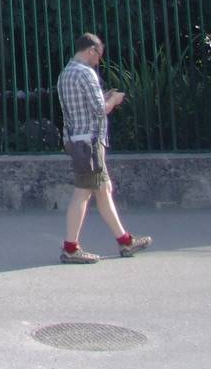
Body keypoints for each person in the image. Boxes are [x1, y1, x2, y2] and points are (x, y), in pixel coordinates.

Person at [56, 33, 151, 264]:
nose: (99, 60)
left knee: (103, 190)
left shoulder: (65, 74)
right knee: (82, 194)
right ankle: (70, 248)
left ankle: (126, 241)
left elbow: (80, 107)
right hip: (90, 142)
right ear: (91, 50)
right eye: (99, 55)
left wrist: (103, 96)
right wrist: (114, 100)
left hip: (76, 139)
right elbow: (100, 110)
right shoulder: (86, 73)